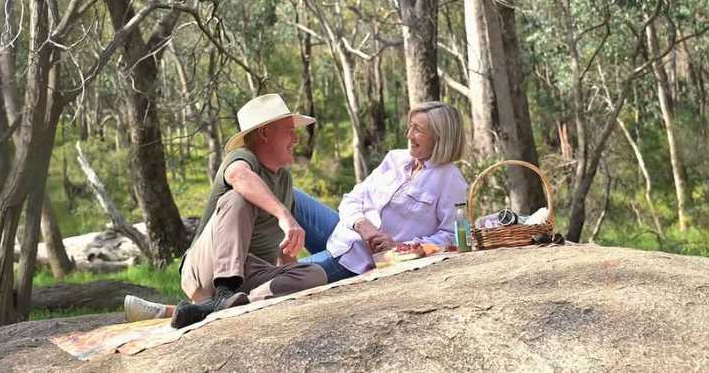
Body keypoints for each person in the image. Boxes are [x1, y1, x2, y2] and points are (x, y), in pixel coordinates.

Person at [125, 94, 328, 328]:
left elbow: (284, 252)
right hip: (209, 268)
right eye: (289, 131)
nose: (296, 139)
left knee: (316, 274)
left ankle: (210, 309)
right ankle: (222, 294)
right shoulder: (241, 158)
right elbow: (237, 176)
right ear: (264, 133)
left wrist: (292, 276)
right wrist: (285, 215)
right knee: (237, 198)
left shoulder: (284, 180)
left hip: (250, 276)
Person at [293, 101, 468, 283]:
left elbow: (452, 236)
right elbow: (353, 197)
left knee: (282, 277)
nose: (409, 135)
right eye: (410, 127)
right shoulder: (395, 158)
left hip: (360, 260)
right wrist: (362, 225)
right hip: (344, 230)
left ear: (440, 137)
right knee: (288, 193)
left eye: (418, 130)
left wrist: (401, 247)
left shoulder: (450, 179)